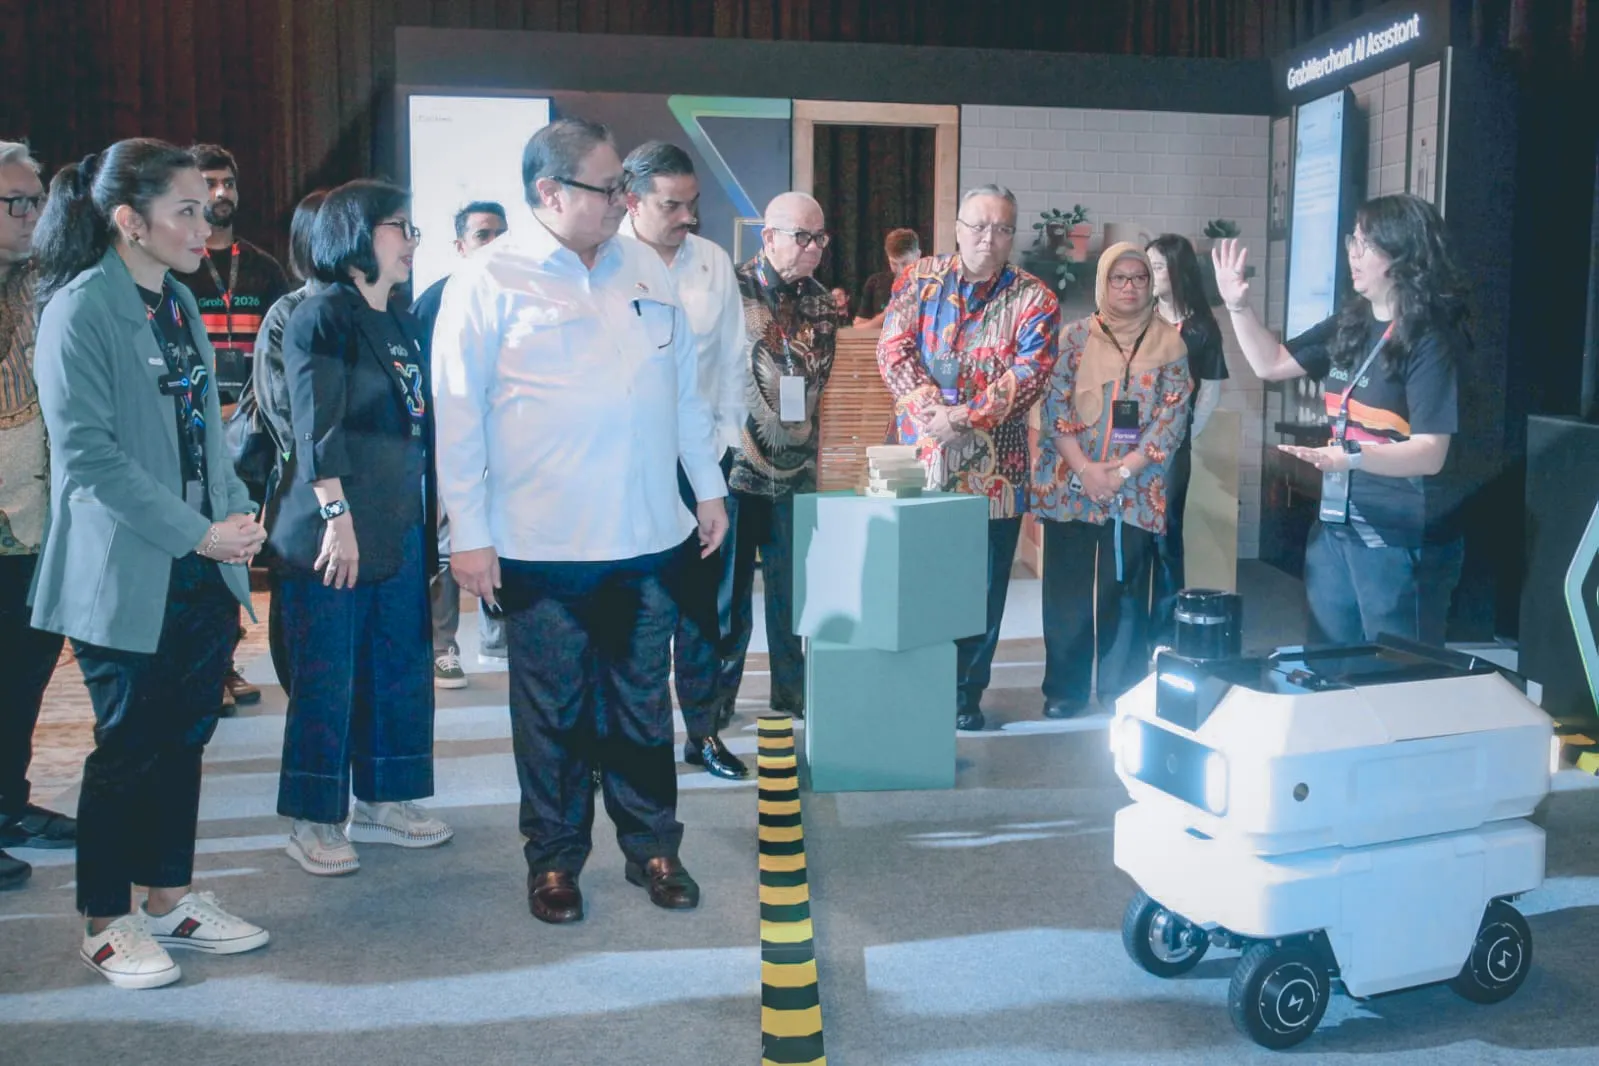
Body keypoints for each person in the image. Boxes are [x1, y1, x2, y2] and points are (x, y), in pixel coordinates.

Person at [431, 118, 728, 925]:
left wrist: (706, 489)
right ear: (550, 193)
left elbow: (683, 392)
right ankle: (555, 860)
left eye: (623, 186)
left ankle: (652, 847)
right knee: (553, 712)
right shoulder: (488, 279)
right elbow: (457, 416)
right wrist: (468, 534)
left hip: (647, 534)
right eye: (608, 187)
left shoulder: (643, 265)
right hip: (540, 543)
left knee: (640, 703)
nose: (623, 201)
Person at [31, 138, 271, 987]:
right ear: (130, 221)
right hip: (124, 568)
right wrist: (198, 532)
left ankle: (169, 898)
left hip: (199, 562)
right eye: (186, 210)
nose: (205, 225)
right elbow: (91, 459)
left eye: (206, 208)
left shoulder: (175, 300)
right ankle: (106, 920)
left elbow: (207, 434)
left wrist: (234, 513)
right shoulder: (79, 309)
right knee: (128, 744)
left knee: (184, 737)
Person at [266, 179, 450, 877]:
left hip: (396, 522)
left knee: (398, 665)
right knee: (328, 675)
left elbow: (416, 421)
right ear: (354, 235)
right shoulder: (320, 314)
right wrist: (336, 518)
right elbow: (316, 428)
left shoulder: (399, 318)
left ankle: (385, 798)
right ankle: (313, 817)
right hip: (332, 526)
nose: (411, 241)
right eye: (399, 226)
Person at [1213, 194, 1468, 646]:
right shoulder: (1351, 321)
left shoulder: (1429, 338)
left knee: (1397, 668)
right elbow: (1270, 363)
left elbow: (1430, 454)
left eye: (1366, 244)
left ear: (1402, 254)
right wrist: (1237, 306)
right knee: (1329, 659)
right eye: (1353, 240)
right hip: (1337, 524)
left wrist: (1351, 456)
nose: (1353, 253)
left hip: (1399, 534)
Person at [878, 185, 1060, 731]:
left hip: (995, 472)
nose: (988, 238)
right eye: (978, 226)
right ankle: (911, 685)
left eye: (1002, 228)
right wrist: (931, 409)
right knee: (915, 578)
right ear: (957, 228)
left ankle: (964, 694)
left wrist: (963, 416)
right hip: (918, 460)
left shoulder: (1036, 299)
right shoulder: (919, 279)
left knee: (981, 589)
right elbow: (893, 348)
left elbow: (1029, 375)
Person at [620, 141, 749, 779]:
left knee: (700, 608)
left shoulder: (712, 261)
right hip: (624, 465)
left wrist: (724, 447)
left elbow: (732, 358)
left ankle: (703, 733)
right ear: (631, 201)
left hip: (700, 463)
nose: (687, 217)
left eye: (692, 203)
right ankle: (622, 745)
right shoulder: (605, 262)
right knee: (629, 612)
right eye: (671, 205)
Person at [1031, 242, 1192, 719]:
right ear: (1103, 282)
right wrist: (1085, 468)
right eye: (1119, 278)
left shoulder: (1170, 343)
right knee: (1068, 590)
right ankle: (1066, 689)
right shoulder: (1073, 338)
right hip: (1070, 480)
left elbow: (1172, 417)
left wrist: (1123, 471)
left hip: (1135, 487)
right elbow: (1054, 407)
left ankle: (1121, 686)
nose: (1129, 287)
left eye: (1139, 278)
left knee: (1126, 587)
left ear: (1151, 284)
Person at [172, 145, 289, 712]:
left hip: (249, 424)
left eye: (229, 183)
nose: (221, 193)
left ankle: (227, 659)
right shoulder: (176, 263)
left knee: (239, 542)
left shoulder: (264, 267)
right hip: (192, 423)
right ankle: (208, 664)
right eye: (209, 183)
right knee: (201, 543)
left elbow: (280, 348)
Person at [721, 192, 838, 720]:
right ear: (768, 238)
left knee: (791, 592)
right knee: (728, 596)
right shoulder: (731, 289)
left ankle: (791, 694)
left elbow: (820, 381)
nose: (814, 248)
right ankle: (718, 702)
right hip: (736, 469)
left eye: (820, 238)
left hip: (795, 468)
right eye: (802, 237)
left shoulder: (822, 302)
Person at [0, 140, 75, 891]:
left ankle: (8, 805)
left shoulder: (44, 286)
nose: (31, 215)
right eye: (15, 202)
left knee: (23, 678)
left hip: (38, 523)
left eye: (36, 201)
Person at [410, 200, 510, 688]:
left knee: (504, 533)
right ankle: (443, 646)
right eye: (482, 235)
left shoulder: (524, 295)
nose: (494, 244)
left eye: (500, 234)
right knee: (447, 545)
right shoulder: (436, 300)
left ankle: (498, 635)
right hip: (448, 442)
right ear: (459, 245)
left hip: (510, 445)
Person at [246, 187, 327, 692]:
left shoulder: (380, 309)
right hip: (304, 504)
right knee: (303, 648)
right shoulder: (287, 313)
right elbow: (285, 418)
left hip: (368, 509)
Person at [1145, 234, 1229, 646]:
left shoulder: (1201, 328)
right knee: (1132, 538)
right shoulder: (1139, 317)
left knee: (1166, 536)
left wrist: (1181, 434)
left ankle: (1164, 630)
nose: (1149, 275)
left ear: (1178, 272)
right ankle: (1129, 629)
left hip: (1173, 447)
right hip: (1126, 445)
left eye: (1158, 267)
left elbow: (1210, 392)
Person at [854, 227, 921, 328]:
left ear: (918, 255)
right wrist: (885, 316)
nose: (900, 270)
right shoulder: (875, 282)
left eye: (905, 263)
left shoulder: (932, 285)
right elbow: (857, 329)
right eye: (894, 263)